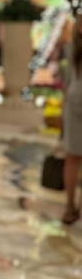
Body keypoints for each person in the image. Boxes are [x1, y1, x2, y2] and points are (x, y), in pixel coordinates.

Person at [61, 14, 82, 224]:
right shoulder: (72, 49)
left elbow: (66, 82)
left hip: (73, 105)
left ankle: (71, 207)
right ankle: (70, 206)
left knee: (72, 158)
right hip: (74, 107)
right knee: (72, 159)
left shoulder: (71, 49)